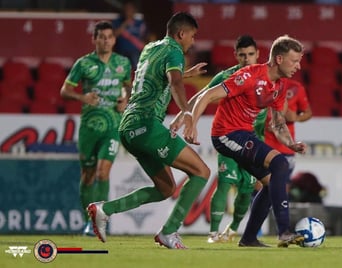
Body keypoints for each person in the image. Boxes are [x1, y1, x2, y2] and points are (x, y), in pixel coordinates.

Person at [86, 11, 210, 250]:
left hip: (128, 127)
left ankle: (105, 209)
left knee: (165, 188)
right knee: (201, 172)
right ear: (181, 33)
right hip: (146, 124)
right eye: (192, 36)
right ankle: (169, 232)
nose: (193, 42)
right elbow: (174, 82)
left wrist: (185, 73)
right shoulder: (174, 50)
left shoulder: (150, 48)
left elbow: (154, 76)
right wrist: (186, 113)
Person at [187, 34, 307, 247]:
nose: (298, 66)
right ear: (279, 59)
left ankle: (249, 238)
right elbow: (207, 95)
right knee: (279, 163)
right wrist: (191, 124)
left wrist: (290, 144)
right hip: (225, 134)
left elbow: (278, 123)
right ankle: (284, 231)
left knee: (270, 183)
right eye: (294, 60)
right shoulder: (249, 76)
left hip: (244, 134)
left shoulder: (279, 86)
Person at [174, 35, 261, 243]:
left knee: (247, 188)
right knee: (225, 182)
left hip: (254, 140)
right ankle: (213, 233)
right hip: (229, 135)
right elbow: (202, 96)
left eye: (250, 54)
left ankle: (233, 229)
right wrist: (184, 118)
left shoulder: (265, 78)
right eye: (242, 55)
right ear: (236, 56)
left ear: (258, 54)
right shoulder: (227, 76)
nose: (246, 59)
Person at [60, 21, 132, 236]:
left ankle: (100, 219)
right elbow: (65, 90)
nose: (106, 40)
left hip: (112, 125)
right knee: (88, 175)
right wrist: (82, 96)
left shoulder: (123, 63)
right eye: (101, 37)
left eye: (109, 37)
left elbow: (128, 86)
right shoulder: (83, 64)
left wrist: (125, 100)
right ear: (94, 39)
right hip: (89, 128)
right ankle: (88, 221)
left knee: (102, 172)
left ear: (114, 40)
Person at [112, 0, 148, 69]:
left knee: (138, 67)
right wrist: (125, 24)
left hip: (135, 51)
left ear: (134, 11)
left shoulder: (139, 23)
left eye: (130, 9)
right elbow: (114, 35)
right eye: (126, 9)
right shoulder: (118, 21)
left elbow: (145, 37)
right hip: (121, 51)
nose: (128, 12)